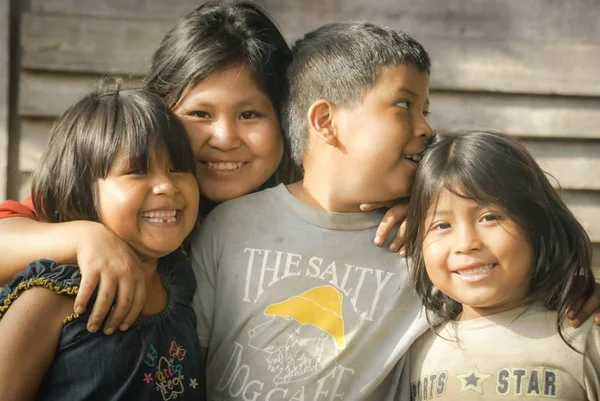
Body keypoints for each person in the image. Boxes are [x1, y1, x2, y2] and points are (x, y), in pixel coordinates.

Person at [0, 1, 409, 335]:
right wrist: (83, 238)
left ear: (288, 118)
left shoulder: (307, 199)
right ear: (160, 109)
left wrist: (421, 209)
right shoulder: (117, 198)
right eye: (199, 113)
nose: (224, 136)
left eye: (250, 114)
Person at [191, 21, 435, 400]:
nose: (426, 127)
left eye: (425, 109)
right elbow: (191, 366)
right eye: (404, 104)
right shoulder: (230, 227)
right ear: (325, 121)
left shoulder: (428, 242)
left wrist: (438, 208)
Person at [0, 83, 206, 400]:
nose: (166, 185)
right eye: (136, 171)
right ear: (80, 188)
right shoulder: (50, 300)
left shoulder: (178, 278)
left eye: (178, 168)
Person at [405, 131, 600, 400]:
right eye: (442, 225)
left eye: (489, 217)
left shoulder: (586, 336)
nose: (466, 243)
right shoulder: (411, 352)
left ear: (536, 225)